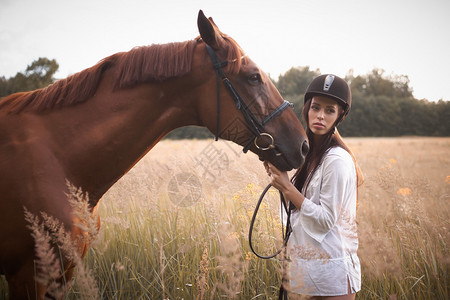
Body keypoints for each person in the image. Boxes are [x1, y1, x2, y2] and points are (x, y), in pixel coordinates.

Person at [264, 74, 363, 299]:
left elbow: (326, 220)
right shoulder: (307, 156)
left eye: (330, 110)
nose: (320, 116)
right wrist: (280, 180)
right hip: (307, 271)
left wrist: (288, 188)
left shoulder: (336, 160)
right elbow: (297, 212)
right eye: (316, 107)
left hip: (333, 275)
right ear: (307, 108)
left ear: (340, 116)